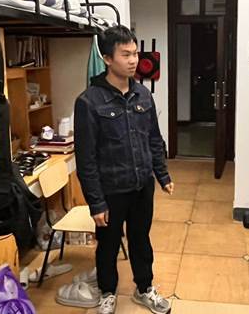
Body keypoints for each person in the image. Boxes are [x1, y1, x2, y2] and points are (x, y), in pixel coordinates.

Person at [74, 25, 174, 314]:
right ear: (107, 58)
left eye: (135, 53)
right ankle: (107, 292)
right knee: (108, 245)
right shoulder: (89, 102)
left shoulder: (143, 95)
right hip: (111, 190)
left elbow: (154, 139)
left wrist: (162, 175)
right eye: (125, 54)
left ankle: (145, 288)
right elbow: (86, 159)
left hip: (142, 185)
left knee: (141, 239)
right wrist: (96, 202)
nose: (133, 60)